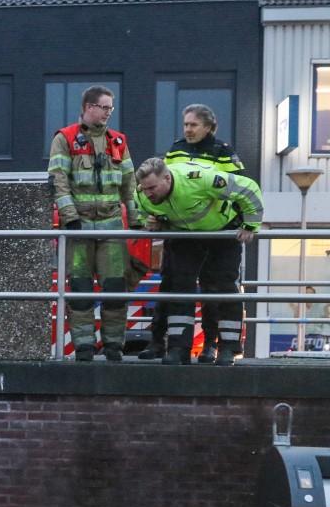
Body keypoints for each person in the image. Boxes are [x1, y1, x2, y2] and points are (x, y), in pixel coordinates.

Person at [139, 104, 246, 362]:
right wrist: (155, 218)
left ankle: (213, 345)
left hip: (217, 231)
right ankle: (164, 343)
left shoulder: (222, 152)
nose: (188, 129)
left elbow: (240, 187)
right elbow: (164, 185)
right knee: (172, 285)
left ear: (208, 127)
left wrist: (242, 224)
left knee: (216, 286)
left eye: (193, 124)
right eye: (186, 124)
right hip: (181, 231)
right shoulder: (176, 149)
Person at [135, 157, 264, 365]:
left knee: (223, 287)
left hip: (222, 231)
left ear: (167, 178)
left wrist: (251, 225)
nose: (148, 193)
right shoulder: (142, 194)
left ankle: (228, 349)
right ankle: (178, 349)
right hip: (185, 235)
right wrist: (149, 222)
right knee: (180, 287)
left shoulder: (200, 179)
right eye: (145, 188)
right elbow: (140, 212)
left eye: (152, 188)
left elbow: (249, 189)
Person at [49, 85, 140, 362]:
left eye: (111, 108)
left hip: (112, 227)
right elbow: (58, 180)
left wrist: (135, 220)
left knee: (115, 289)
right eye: (104, 107)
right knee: (80, 290)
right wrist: (70, 217)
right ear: (89, 107)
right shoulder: (64, 138)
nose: (109, 113)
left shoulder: (118, 142)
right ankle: (84, 347)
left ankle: (114, 346)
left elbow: (130, 184)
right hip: (80, 227)